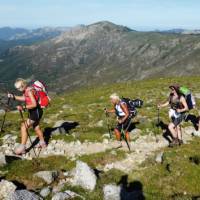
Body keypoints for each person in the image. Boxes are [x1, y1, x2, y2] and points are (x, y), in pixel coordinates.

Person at [8, 78, 46, 155]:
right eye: (17, 88)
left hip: (35, 112)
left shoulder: (29, 91)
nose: (18, 89)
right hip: (36, 111)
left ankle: (22, 148)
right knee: (36, 127)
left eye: (19, 88)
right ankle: (43, 144)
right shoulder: (26, 90)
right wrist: (13, 96)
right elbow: (24, 98)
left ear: (23, 85)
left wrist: (23, 107)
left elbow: (34, 104)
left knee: (23, 126)